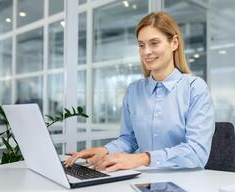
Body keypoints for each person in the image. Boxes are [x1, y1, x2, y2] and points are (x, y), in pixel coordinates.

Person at [64, 12, 215, 172]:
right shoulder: (134, 91)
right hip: (145, 179)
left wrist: (143, 158)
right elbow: (129, 140)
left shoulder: (195, 88)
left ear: (174, 43)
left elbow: (197, 152)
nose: (146, 52)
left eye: (154, 43)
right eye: (141, 45)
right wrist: (105, 151)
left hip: (188, 182)